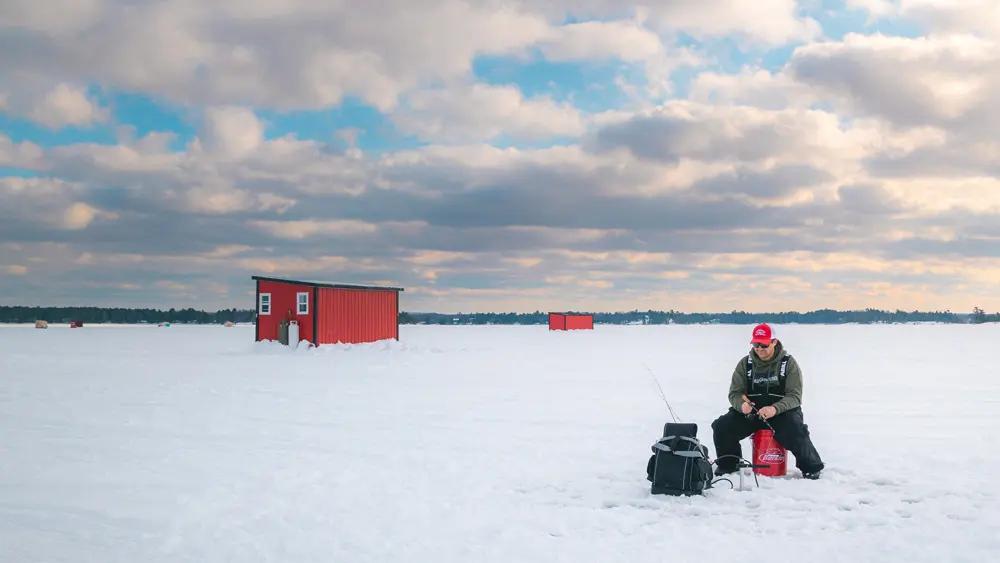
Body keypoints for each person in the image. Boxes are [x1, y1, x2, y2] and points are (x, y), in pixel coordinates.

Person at [711, 323, 825, 479]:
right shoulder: (745, 364)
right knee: (722, 426)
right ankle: (729, 465)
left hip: (781, 412)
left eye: (763, 344)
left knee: (795, 429)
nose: (759, 348)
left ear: (774, 342)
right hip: (752, 412)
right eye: (756, 344)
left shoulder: (788, 364)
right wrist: (742, 405)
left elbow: (795, 396)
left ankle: (811, 467)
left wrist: (775, 409)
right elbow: (735, 393)